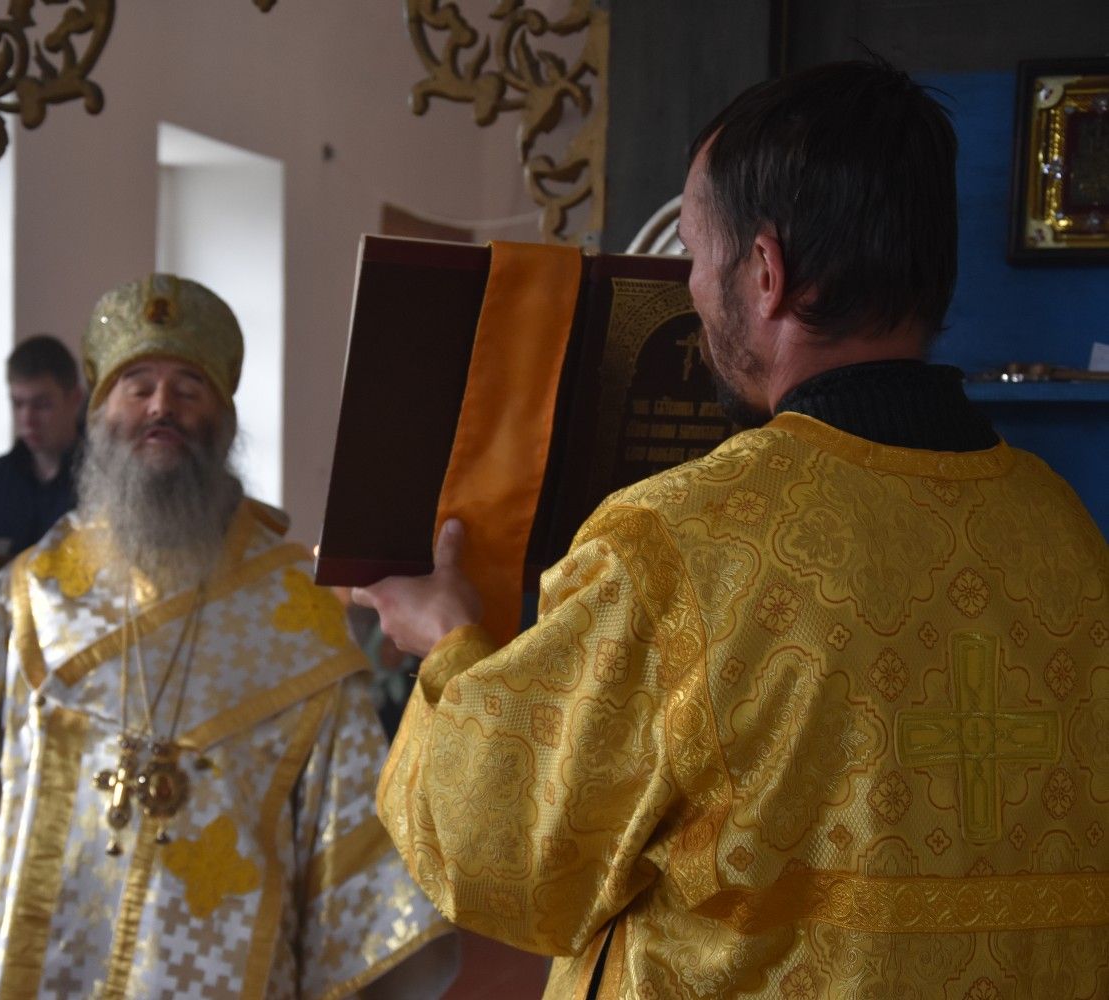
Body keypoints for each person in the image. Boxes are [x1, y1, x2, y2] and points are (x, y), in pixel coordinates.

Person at [356, 59, 1109, 998]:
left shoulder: (679, 546)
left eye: (693, 255)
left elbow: (499, 853)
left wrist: (445, 644)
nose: (690, 288)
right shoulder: (1063, 533)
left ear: (763, 271)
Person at [0, 274, 457, 998]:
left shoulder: (296, 611)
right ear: (99, 415)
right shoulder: (34, 595)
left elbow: (350, 840)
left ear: (225, 422)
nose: (161, 406)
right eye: (137, 385)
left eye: (189, 387)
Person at [0, 333, 85, 555]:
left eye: (42, 405)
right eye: (18, 404)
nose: (27, 419)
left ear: (75, 399)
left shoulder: (103, 479)